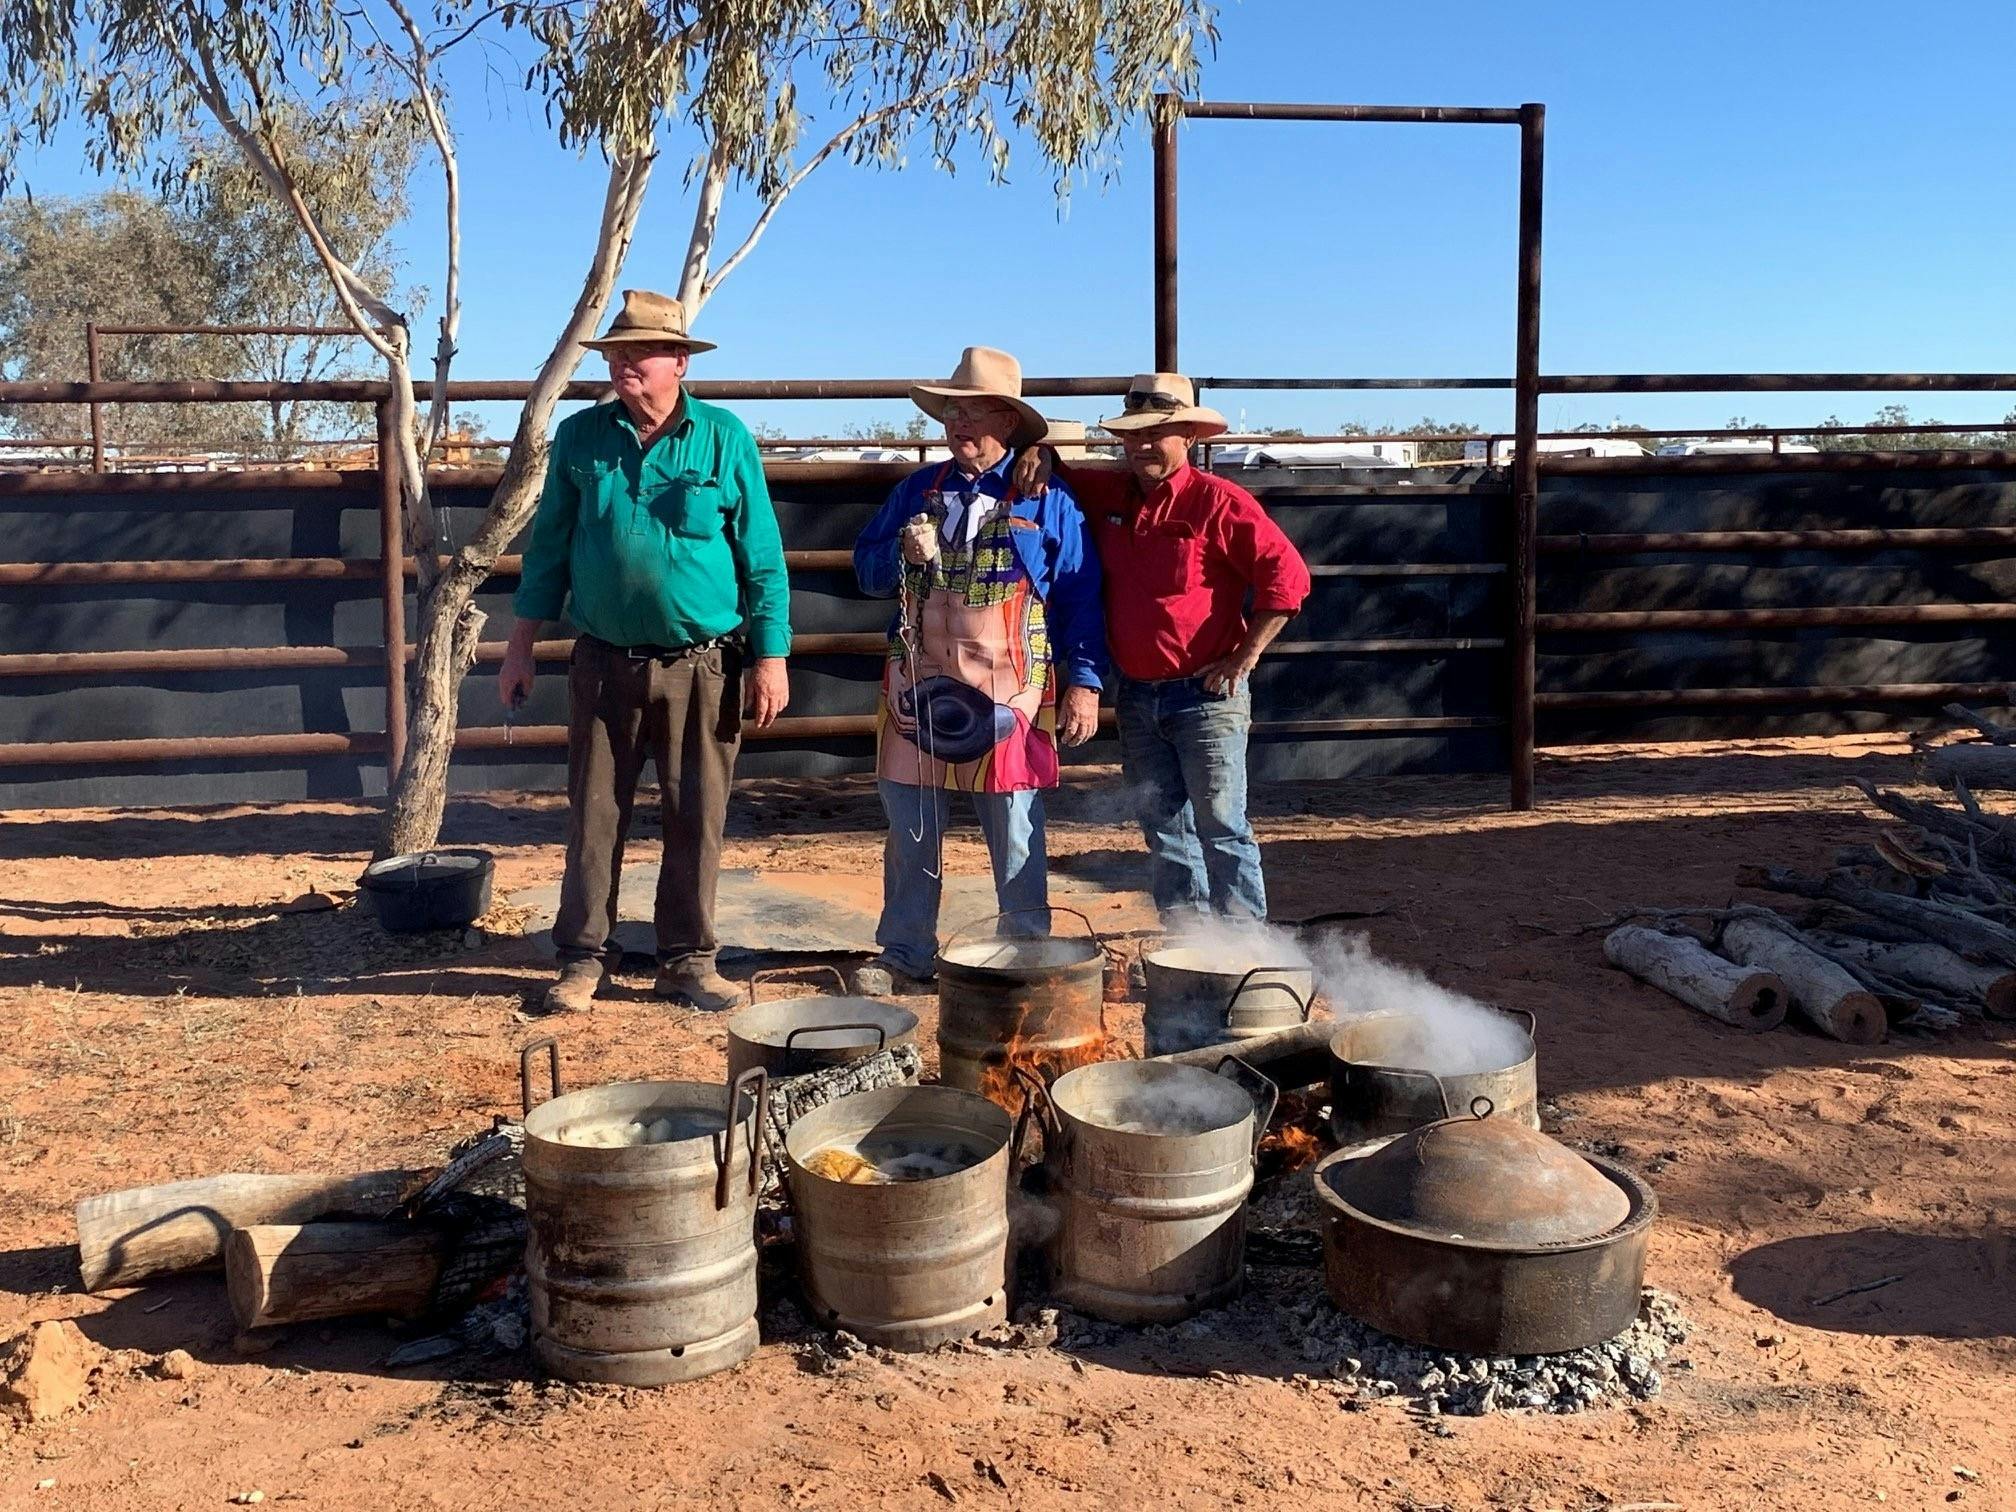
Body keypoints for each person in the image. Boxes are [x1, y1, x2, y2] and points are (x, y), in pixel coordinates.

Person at [500, 289, 792, 1014]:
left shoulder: (724, 438)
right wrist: (519, 647)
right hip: (603, 660)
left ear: (680, 362)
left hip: (703, 663)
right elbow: (548, 550)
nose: (625, 363)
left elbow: (761, 557)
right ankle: (583, 958)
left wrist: (771, 657)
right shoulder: (579, 438)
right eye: (617, 352)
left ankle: (687, 961)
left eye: (642, 352)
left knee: (698, 813)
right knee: (594, 813)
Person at [850, 346, 1105, 994]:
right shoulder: (917, 490)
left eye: (975, 411)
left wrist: (1084, 681)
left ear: (1008, 423)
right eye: (952, 412)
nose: (960, 423)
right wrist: (900, 552)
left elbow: (1080, 594)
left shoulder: (1047, 496)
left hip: (1011, 686)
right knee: (912, 825)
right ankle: (906, 950)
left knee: (1016, 826)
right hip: (917, 678)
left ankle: (1027, 953)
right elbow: (866, 572)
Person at [1031, 373, 1310, 921]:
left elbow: (1288, 579)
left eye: (1154, 434)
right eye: (1132, 435)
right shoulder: (1110, 492)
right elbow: (1055, 468)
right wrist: (1039, 453)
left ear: (1188, 435)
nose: (1140, 446)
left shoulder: (1219, 501)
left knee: (1221, 825)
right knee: (1163, 825)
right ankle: (1187, 941)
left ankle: (1243, 944)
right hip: (1138, 693)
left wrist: (1245, 656)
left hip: (1206, 694)